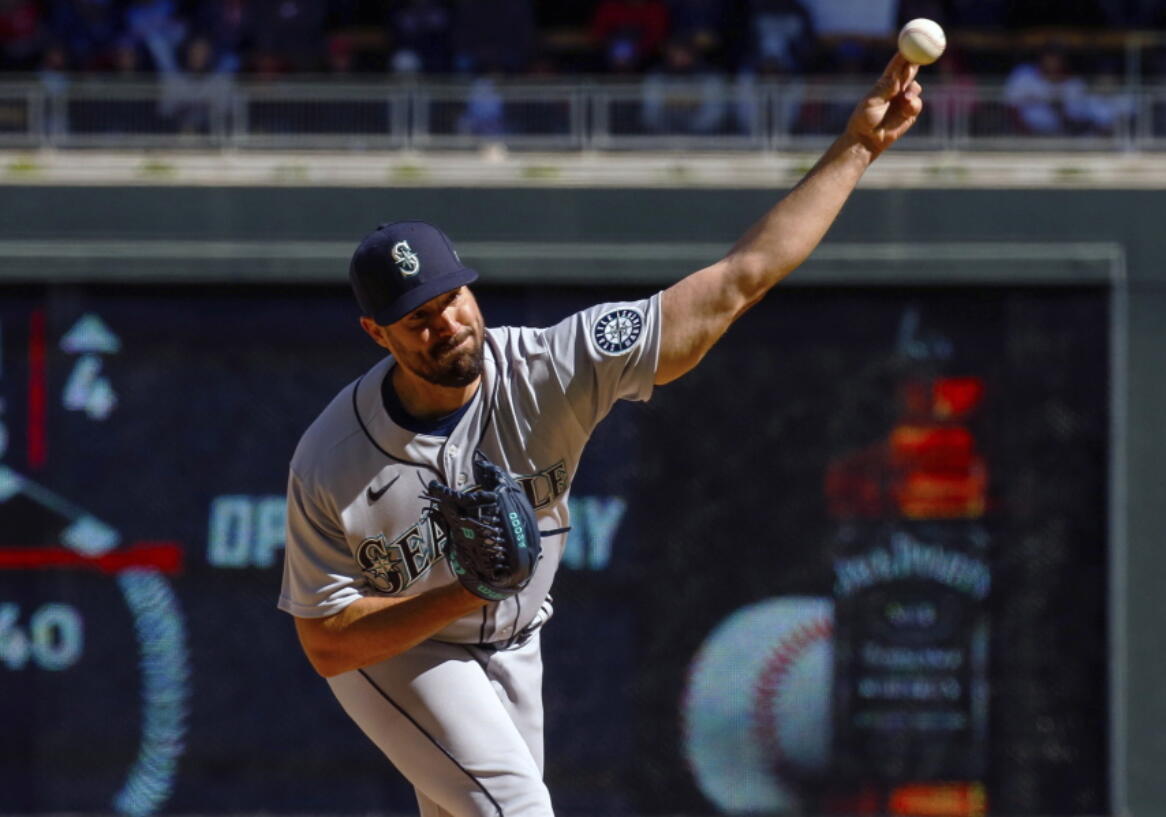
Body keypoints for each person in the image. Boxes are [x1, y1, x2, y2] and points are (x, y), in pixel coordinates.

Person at [278, 53, 924, 817]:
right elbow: (328, 645)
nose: (447, 323)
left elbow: (740, 277)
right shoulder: (333, 459)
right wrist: (465, 588)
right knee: (517, 807)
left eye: (453, 298)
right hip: (403, 653)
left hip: (517, 641)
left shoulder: (552, 367)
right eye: (418, 317)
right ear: (376, 334)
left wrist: (855, 147)